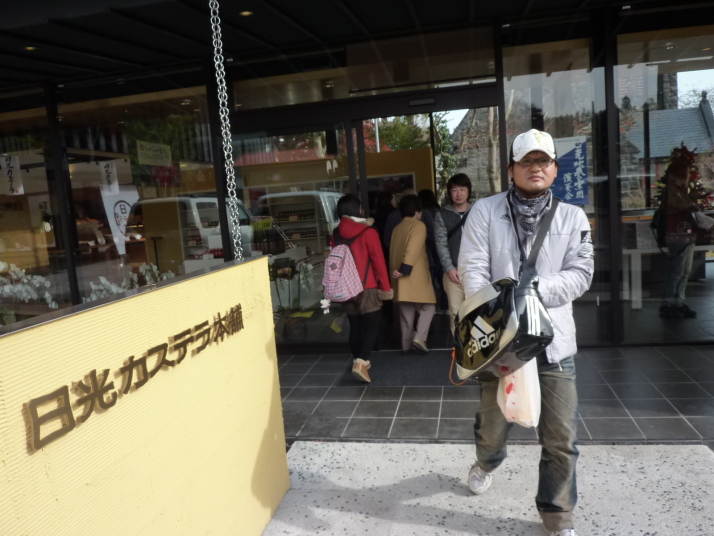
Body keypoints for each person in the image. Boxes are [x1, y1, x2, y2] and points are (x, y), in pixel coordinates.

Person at [459, 129, 594, 536]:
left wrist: (534, 291)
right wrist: (497, 308)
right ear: (512, 169)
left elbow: (581, 273)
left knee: (561, 437)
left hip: (553, 343)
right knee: (492, 426)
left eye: (543, 161)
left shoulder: (572, 217)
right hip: (499, 342)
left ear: (554, 169)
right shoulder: (485, 211)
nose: (536, 167)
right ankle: (486, 461)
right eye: (527, 161)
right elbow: (473, 267)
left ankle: (557, 517)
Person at [333, 194, 393, 383]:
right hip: (367, 286)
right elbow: (378, 262)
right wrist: (385, 288)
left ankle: (358, 360)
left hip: (345, 287)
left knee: (355, 326)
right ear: (358, 210)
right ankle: (361, 363)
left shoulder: (336, 233)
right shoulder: (369, 231)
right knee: (371, 325)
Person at [389, 194, 436, 353]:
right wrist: (404, 269)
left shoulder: (397, 228)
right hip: (413, 274)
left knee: (406, 313)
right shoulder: (419, 226)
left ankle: (406, 345)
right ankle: (420, 338)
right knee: (429, 306)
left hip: (397, 275)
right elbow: (412, 250)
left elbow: (393, 252)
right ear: (417, 212)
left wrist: (397, 273)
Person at [659, 160, 699, 319]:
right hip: (676, 234)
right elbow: (674, 209)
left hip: (685, 234)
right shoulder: (671, 191)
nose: (689, 176)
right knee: (676, 272)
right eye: (687, 173)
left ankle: (678, 302)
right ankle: (668, 304)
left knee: (685, 271)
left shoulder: (681, 191)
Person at [434, 173, 472, 333]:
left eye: (462, 189)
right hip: (453, 273)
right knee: (456, 314)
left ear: (469, 190)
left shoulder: (478, 211)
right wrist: (449, 268)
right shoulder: (442, 215)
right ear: (449, 192)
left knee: (477, 311)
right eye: (455, 190)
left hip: (476, 271)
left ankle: (477, 347)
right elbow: (441, 244)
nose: (459, 194)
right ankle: (460, 347)